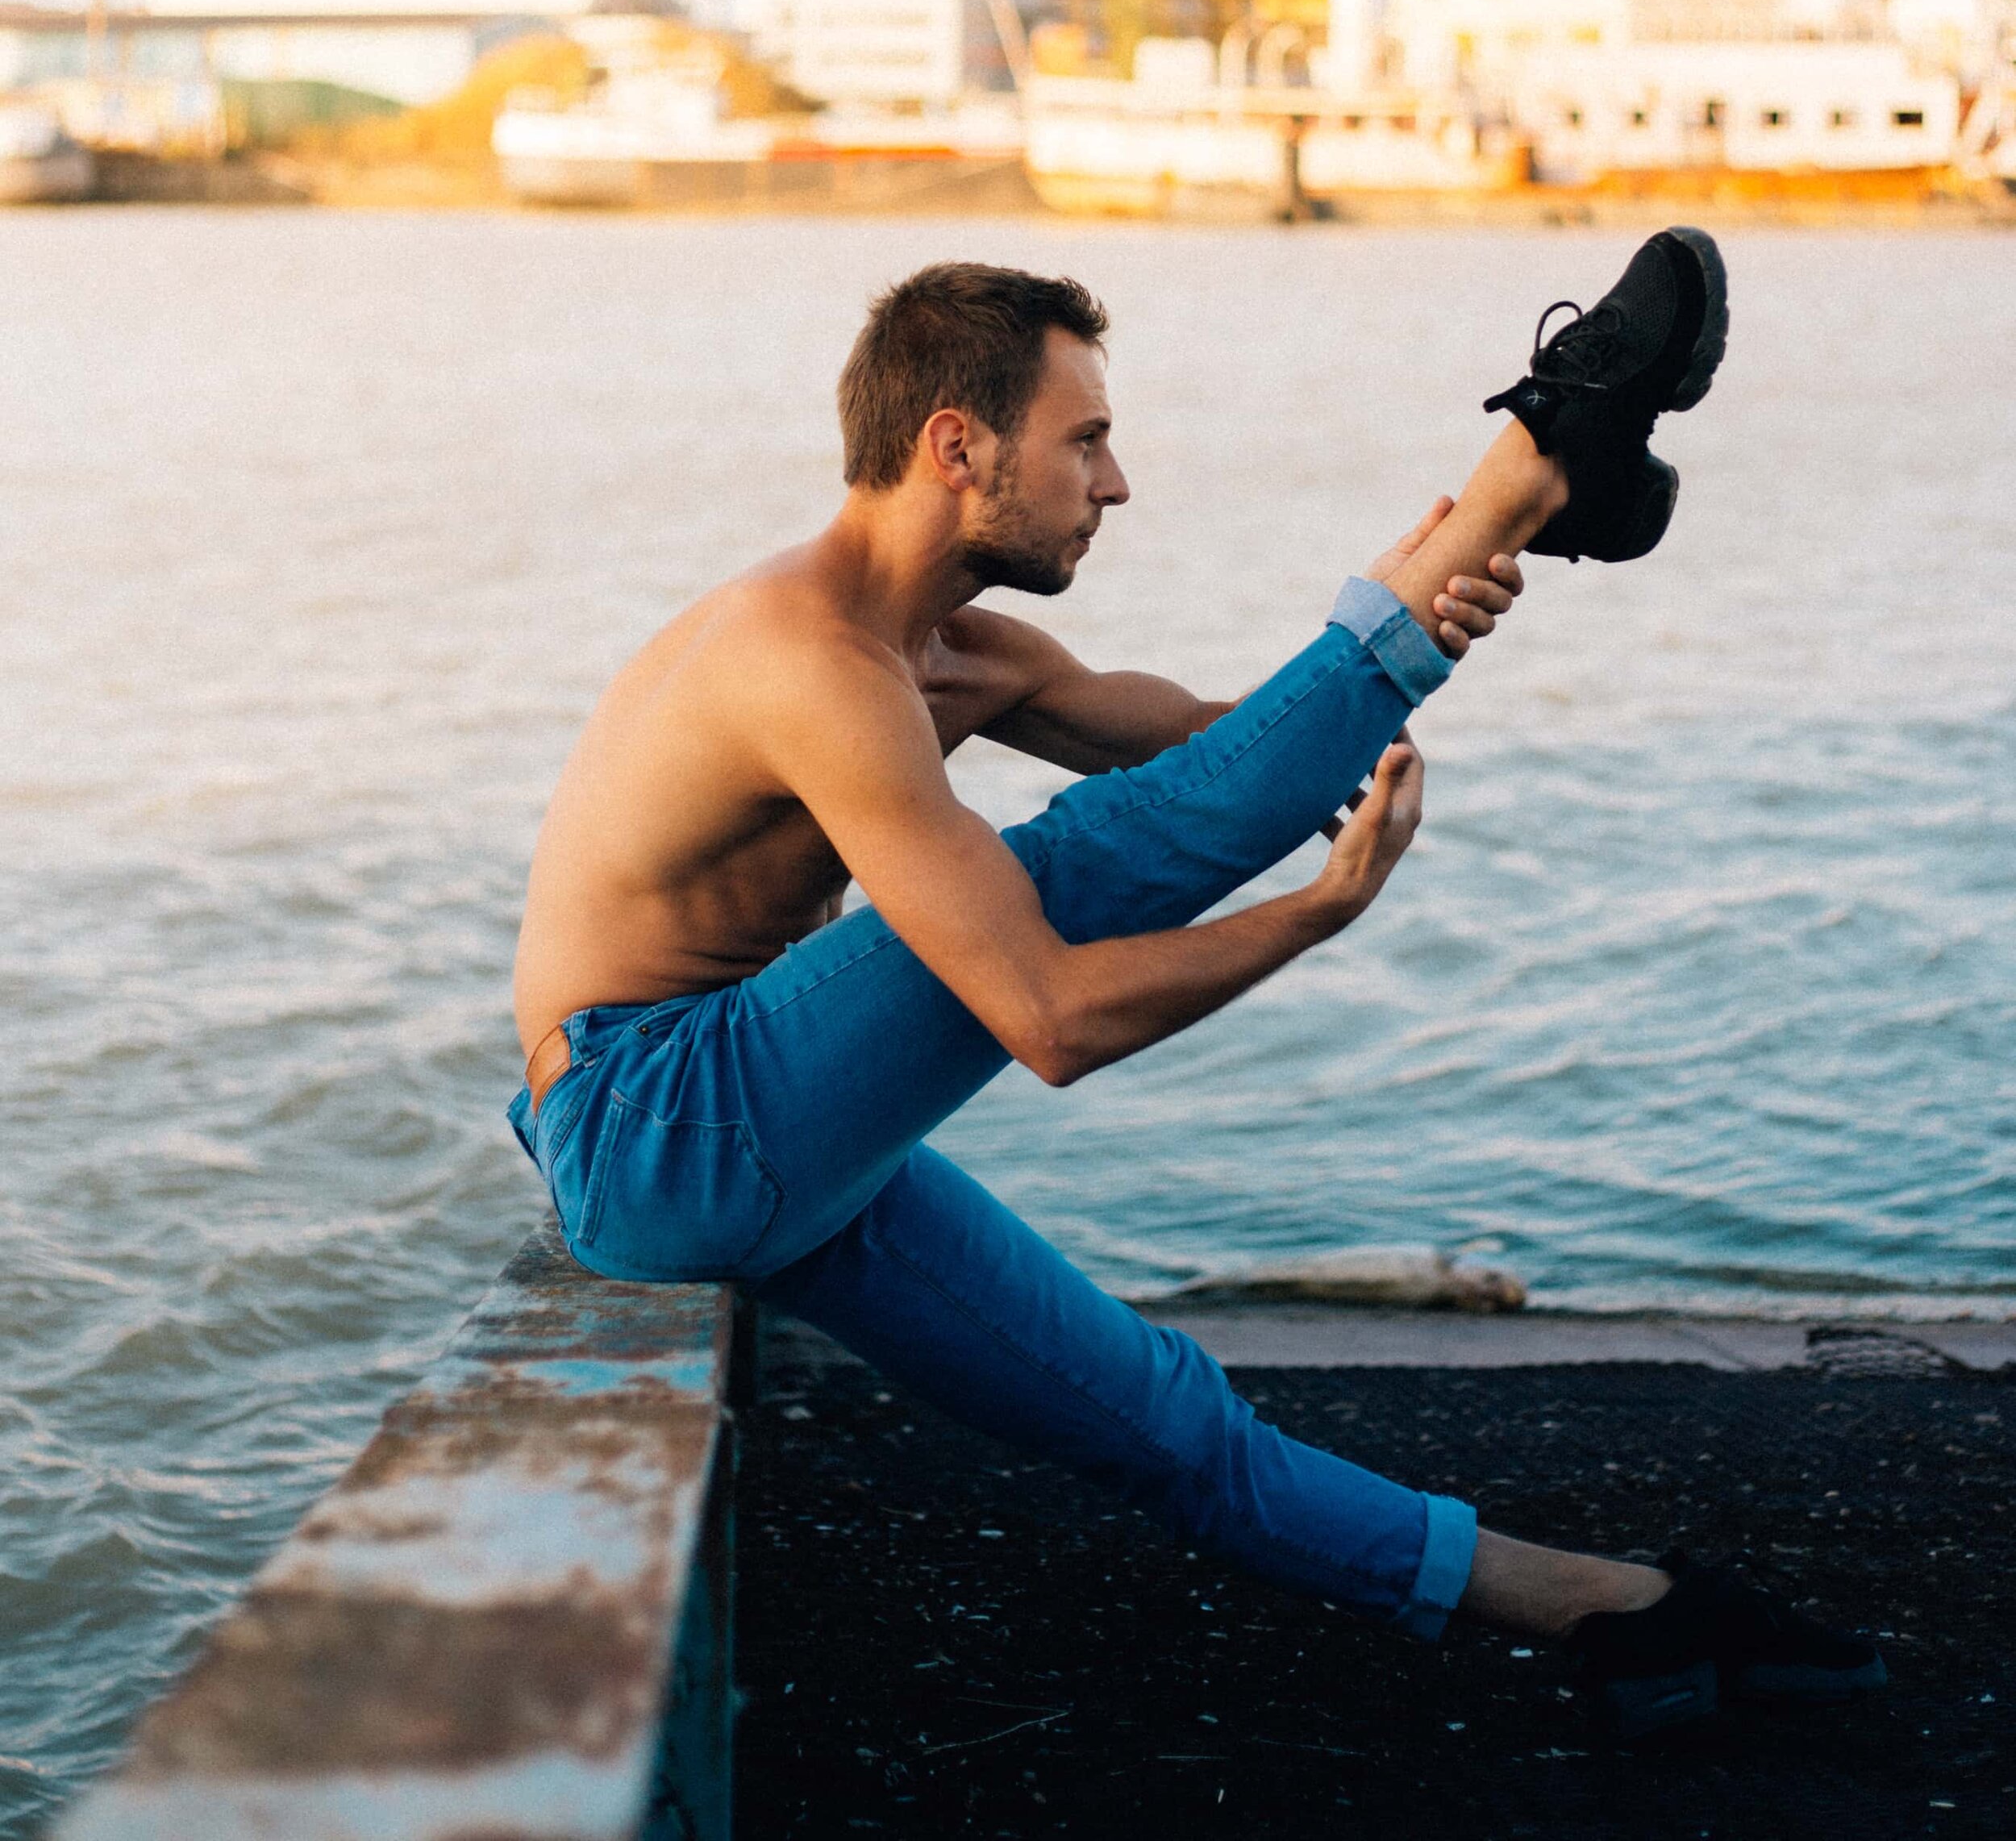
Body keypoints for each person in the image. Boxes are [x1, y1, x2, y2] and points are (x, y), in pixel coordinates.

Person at [509, 235, 1881, 1740]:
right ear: (955, 447)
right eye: (1084, 438)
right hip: (660, 1121)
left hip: (769, 1143)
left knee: (1168, 1417)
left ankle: (1612, 1610)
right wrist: (1313, 913)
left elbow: (1220, 754)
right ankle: (1531, 458)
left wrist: (1437, 598)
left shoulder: (959, 654)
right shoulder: (807, 659)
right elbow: (1050, 1013)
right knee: (1073, 863)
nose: (1116, 481)